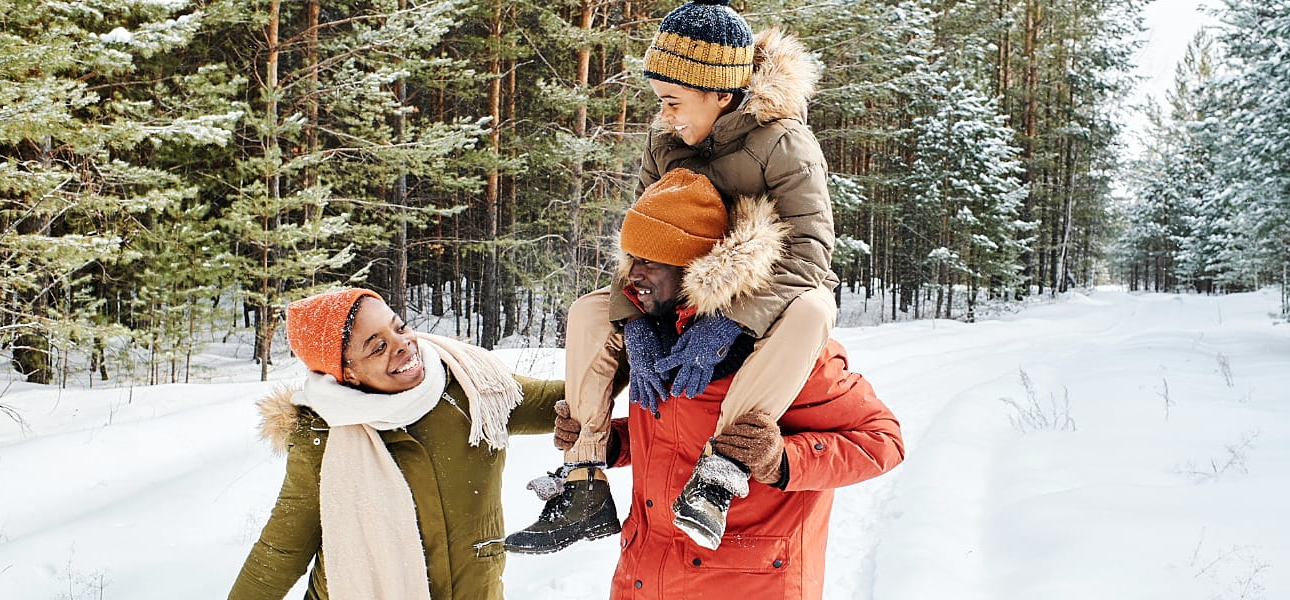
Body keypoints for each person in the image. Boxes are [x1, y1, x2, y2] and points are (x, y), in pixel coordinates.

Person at [507, 0, 840, 553]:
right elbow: (643, 241)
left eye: (673, 101)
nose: (665, 115)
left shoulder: (784, 143)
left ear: (718, 91)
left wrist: (726, 323)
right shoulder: (665, 142)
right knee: (591, 309)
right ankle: (583, 480)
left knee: (814, 309)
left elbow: (810, 254)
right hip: (677, 290)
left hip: (757, 293)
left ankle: (720, 472)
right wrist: (638, 322)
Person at [553, 170, 903, 597]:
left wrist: (780, 459)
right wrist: (612, 444)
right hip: (645, 578)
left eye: (648, 261)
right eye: (629, 260)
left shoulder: (781, 348)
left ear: (693, 268)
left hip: (748, 584)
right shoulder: (652, 339)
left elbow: (882, 441)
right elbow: (673, 434)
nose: (632, 276)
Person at [228, 288, 563, 600]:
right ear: (347, 372)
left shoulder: (471, 386)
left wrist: (615, 343)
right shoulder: (324, 433)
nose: (402, 345)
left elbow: (567, 400)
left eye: (399, 328)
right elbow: (281, 551)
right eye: (378, 347)